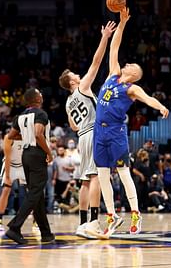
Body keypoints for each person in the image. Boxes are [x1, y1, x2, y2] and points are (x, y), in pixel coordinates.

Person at [92, 7, 169, 238]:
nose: (128, 65)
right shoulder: (113, 74)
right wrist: (122, 22)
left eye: (132, 66)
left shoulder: (132, 88)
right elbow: (114, 47)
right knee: (103, 174)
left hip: (116, 132)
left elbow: (148, 98)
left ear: (135, 74)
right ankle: (112, 215)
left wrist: (161, 107)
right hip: (99, 131)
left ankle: (135, 213)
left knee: (124, 173)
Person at [58, 20, 116, 238]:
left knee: (84, 179)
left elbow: (72, 125)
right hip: (93, 133)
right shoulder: (82, 88)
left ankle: (83, 223)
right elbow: (97, 61)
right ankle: (93, 222)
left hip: (82, 136)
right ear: (72, 82)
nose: (78, 75)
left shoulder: (67, 102)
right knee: (96, 177)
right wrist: (105, 37)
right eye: (74, 74)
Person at [4, 88, 55, 245]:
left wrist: (26, 136)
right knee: (35, 192)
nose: (42, 96)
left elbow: (11, 135)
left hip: (25, 155)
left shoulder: (20, 116)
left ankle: (46, 233)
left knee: (37, 194)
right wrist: (49, 152)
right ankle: (15, 226)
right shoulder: (41, 114)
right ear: (37, 99)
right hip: (37, 154)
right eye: (40, 94)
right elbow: (39, 134)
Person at [0, 132, 26, 238]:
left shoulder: (29, 135)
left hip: (22, 165)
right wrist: (7, 176)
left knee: (32, 193)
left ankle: (36, 223)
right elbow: (7, 157)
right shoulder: (8, 137)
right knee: (6, 190)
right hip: (10, 165)